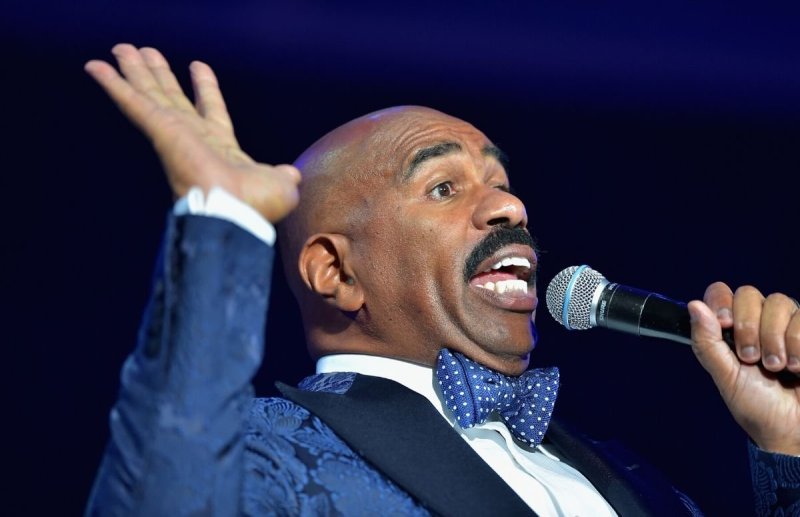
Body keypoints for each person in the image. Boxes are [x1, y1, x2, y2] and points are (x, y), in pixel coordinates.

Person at [83, 44, 800, 516]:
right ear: (336, 271)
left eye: (500, 181)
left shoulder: (635, 481)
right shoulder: (268, 448)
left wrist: (787, 444)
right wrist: (222, 228)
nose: (510, 205)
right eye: (442, 188)